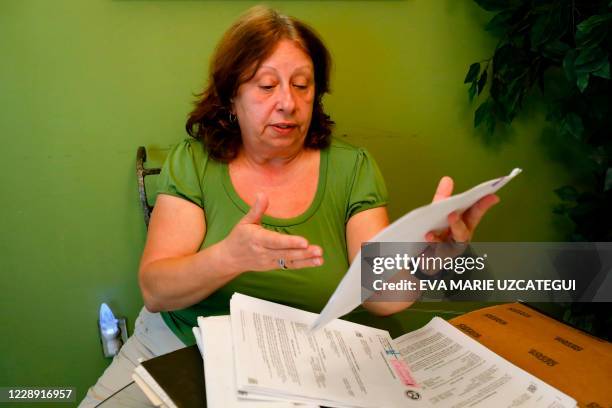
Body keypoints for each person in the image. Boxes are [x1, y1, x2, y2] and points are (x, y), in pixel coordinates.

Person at [80, 6, 499, 407]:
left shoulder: (351, 167)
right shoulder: (194, 161)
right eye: (266, 86)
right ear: (231, 97)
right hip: (186, 344)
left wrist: (432, 260)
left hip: (315, 363)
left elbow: (381, 298)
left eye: (302, 85)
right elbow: (156, 291)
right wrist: (231, 256)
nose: (288, 102)